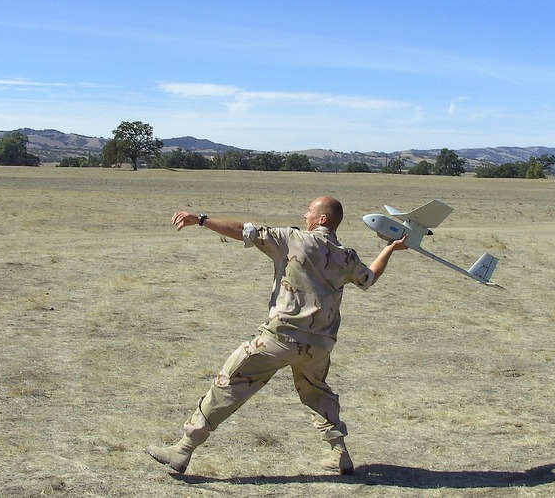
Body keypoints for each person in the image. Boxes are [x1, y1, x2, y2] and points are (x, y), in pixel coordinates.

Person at [147, 196, 407, 475]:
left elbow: (244, 231)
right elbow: (369, 278)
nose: (304, 214)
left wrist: (201, 219)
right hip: (319, 347)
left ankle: (183, 449)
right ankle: (338, 454)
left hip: (280, 339)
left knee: (229, 384)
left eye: (309, 211)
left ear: (321, 219)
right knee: (317, 394)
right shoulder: (347, 257)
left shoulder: (292, 239)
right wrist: (391, 248)